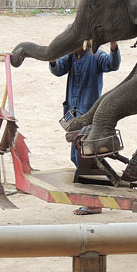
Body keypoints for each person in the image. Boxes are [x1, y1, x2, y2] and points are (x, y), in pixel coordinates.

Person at [50, 41, 121, 215]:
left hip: (89, 115)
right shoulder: (71, 57)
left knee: (84, 158)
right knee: (79, 156)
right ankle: (98, 196)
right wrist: (51, 58)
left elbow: (112, 64)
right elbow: (58, 69)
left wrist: (113, 46)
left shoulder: (96, 55)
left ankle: (94, 203)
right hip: (73, 115)